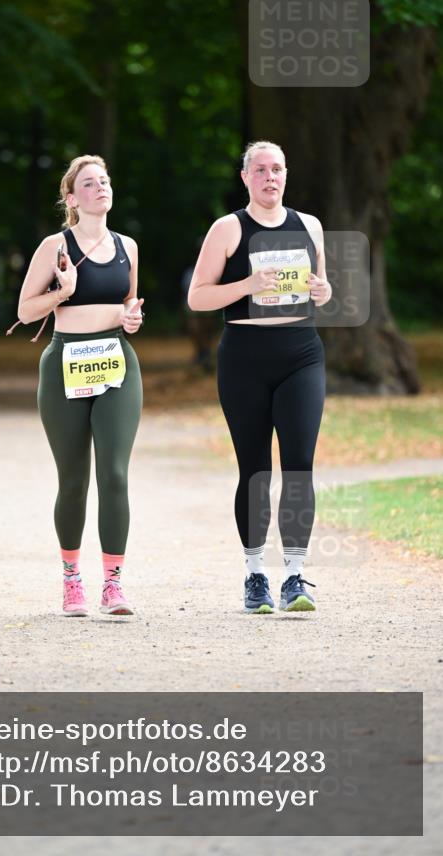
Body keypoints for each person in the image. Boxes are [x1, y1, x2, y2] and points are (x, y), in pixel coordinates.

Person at [188, 141, 332, 614]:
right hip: (245, 358)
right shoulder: (228, 228)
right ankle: (255, 576)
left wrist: (323, 289)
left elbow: (322, 291)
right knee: (255, 471)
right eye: (262, 170)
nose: (271, 177)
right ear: (245, 177)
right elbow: (198, 298)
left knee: (299, 466)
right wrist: (247, 286)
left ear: (286, 176)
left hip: (301, 354)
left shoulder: (308, 225)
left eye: (278, 170)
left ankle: (294, 576)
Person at [17, 155, 144, 617]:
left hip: (116, 361)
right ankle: (72, 580)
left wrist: (132, 317)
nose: (101, 188)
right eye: (89, 183)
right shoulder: (56, 244)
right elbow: (26, 311)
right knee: (73, 479)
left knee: (114, 474)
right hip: (65, 360)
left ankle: (114, 583)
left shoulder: (128, 244)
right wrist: (62, 292)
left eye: (105, 181)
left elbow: (130, 304)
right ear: (72, 198)